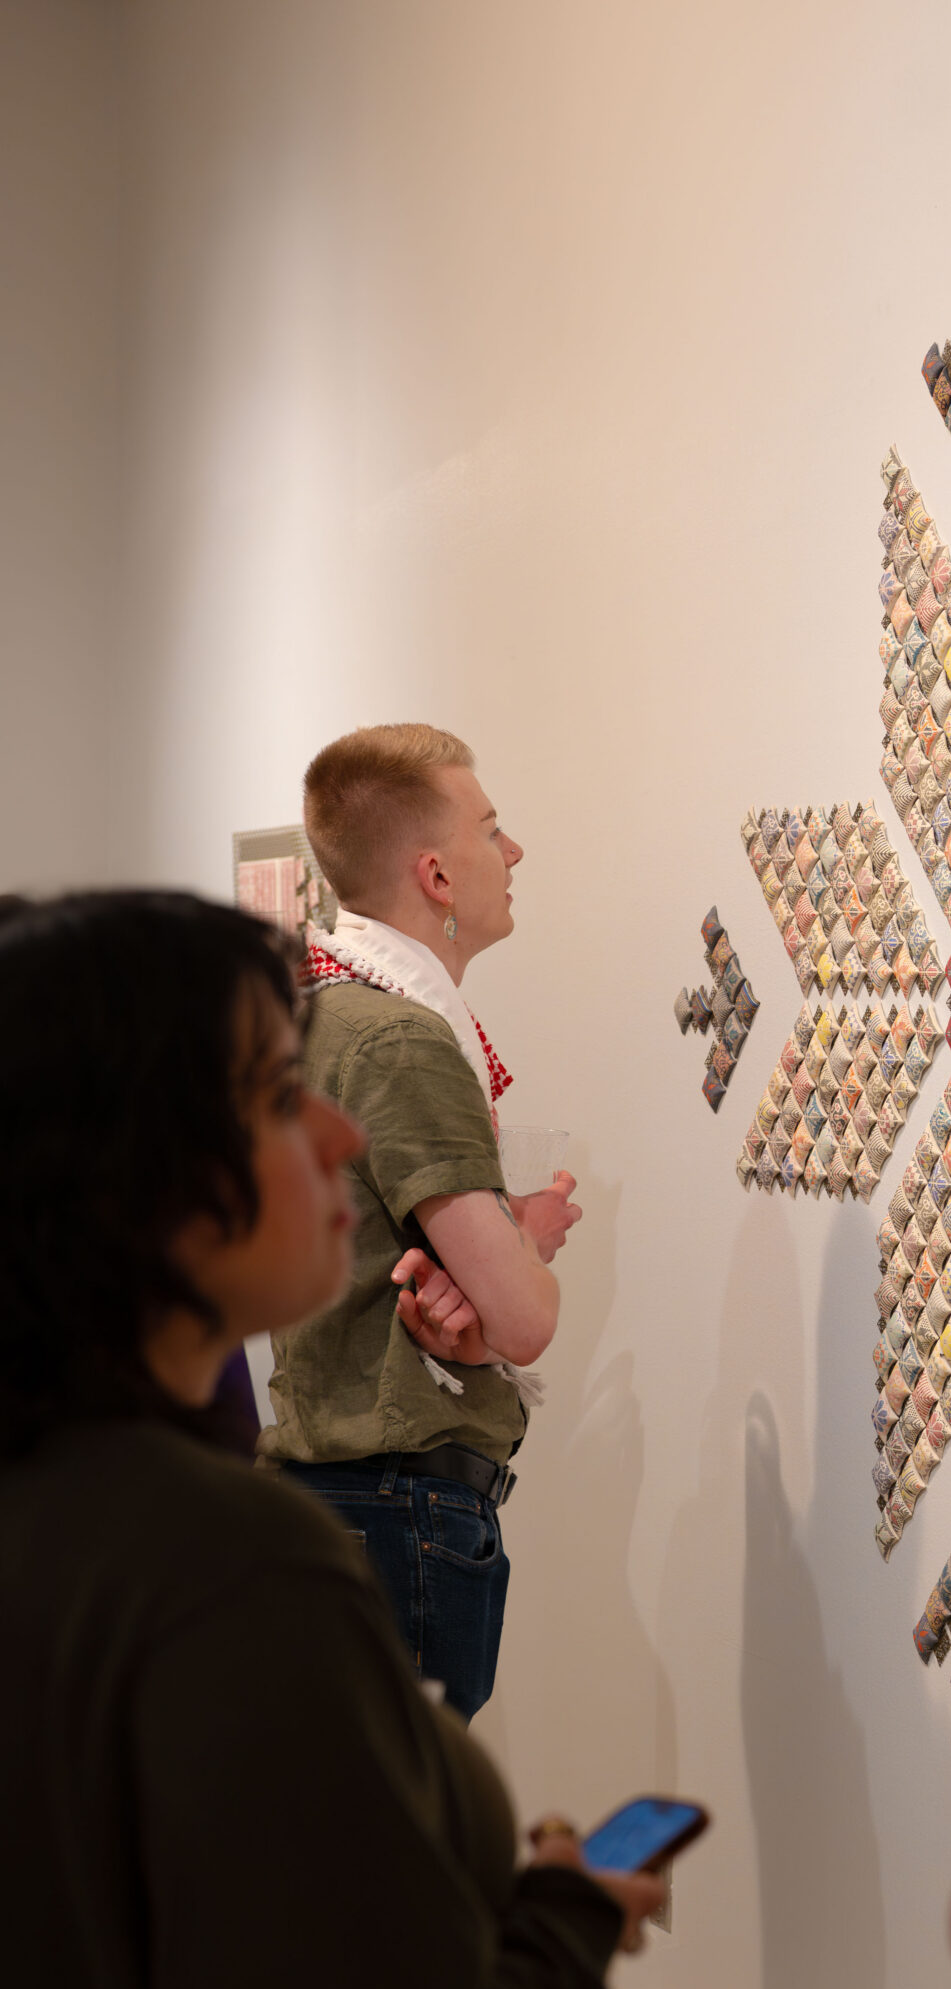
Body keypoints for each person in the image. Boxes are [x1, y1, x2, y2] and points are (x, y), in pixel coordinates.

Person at [0, 888, 661, 1989]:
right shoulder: (228, 1570)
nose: (341, 1140)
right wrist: (565, 1920)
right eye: (274, 1095)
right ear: (127, 1169)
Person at [261, 722, 577, 1720]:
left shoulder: (315, 1011)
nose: (513, 852)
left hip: (330, 1497)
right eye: (492, 829)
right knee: (391, 1850)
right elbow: (524, 1322)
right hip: (393, 1509)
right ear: (437, 876)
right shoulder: (400, 1035)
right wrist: (516, 1251)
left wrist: (486, 1249)